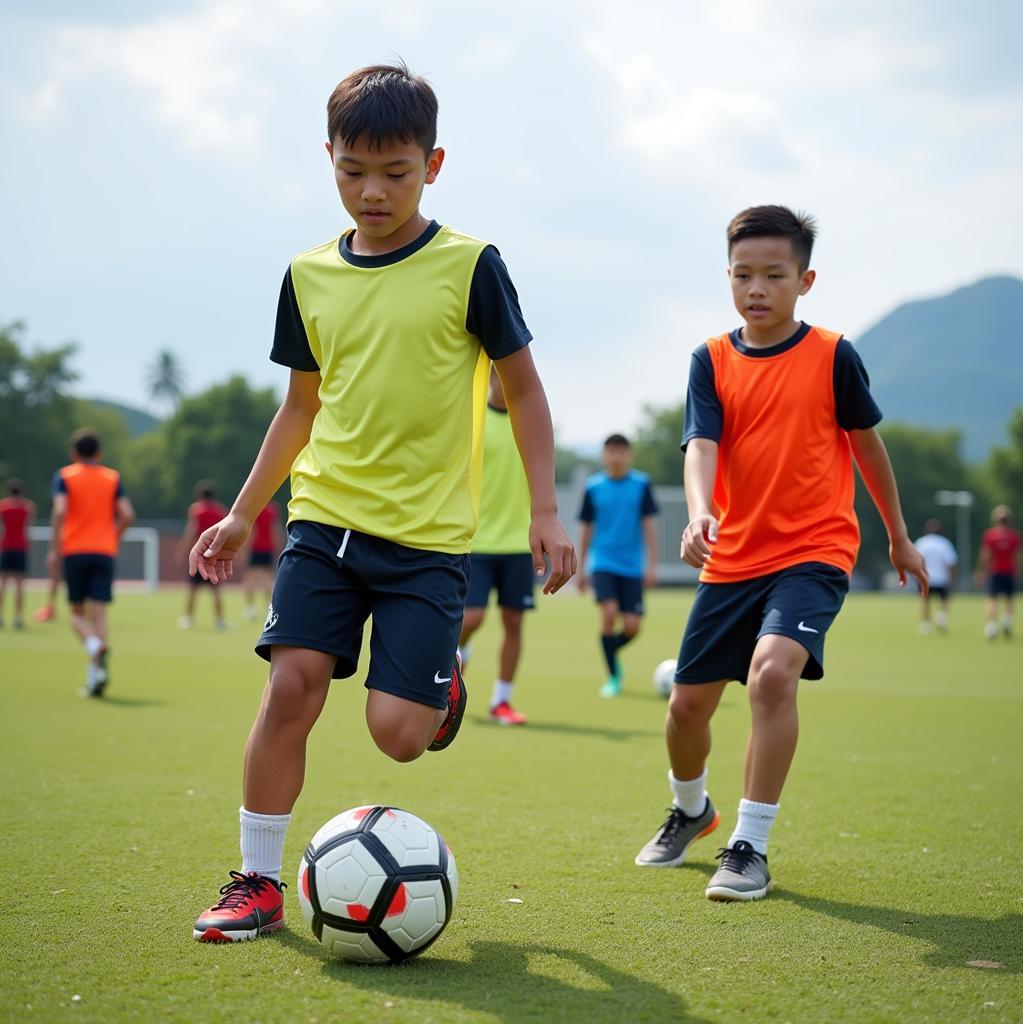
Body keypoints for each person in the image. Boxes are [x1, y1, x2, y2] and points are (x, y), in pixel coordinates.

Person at [188, 63, 575, 943]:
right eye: (353, 170)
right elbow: (300, 408)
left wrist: (545, 510)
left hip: (428, 543)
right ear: (328, 158)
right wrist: (247, 511)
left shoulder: (471, 266)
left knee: (398, 735)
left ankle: (441, 689)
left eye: (395, 173)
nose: (372, 191)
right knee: (292, 687)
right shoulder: (308, 275)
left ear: (433, 164)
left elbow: (528, 391)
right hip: (325, 524)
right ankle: (255, 880)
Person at [634, 205, 927, 902]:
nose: (756, 288)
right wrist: (702, 511)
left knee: (771, 676)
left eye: (773, 275)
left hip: (814, 550)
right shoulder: (710, 359)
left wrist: (899, 534)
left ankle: (750, 846)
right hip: (733, 556)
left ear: (805, 280)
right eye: (743, 275)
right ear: (728, 277)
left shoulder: (833, 355)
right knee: (685, 711)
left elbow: (867, 447)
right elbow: (701, 444)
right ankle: (691, 809)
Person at [459, 365, 535, 726]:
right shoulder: (473, 420)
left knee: (514, 621)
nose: (503, 384)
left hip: (519, 543)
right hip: (477, 540)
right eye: (496, 376)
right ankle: (459, 653)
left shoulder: (528, 421)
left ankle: (501, 700)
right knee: (471, 618)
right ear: (488, 378)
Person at [48, 429, 135, 696]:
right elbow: (127, 515)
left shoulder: (65, 476)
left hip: (75, 550)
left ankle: (94, 647)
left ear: (74, 453)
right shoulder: (112, 477)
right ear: (99, 453)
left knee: (76, 614)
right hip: (104, 551)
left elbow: (61, 510)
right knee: (98, 614)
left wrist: (54, 548)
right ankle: (97, 675)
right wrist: (112, 538)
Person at [577, 434, 659, 698]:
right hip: (603, 562)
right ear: (604, 455)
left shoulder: (641, 484)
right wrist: (581, 569)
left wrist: (651, 565)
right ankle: (613, 676)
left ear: (628, 455)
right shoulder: (593, 487)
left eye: (621, 452)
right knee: (609, 613)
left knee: (633, 626)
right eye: (611, 451)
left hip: (632, 566)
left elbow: (648, 528)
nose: (616, 457)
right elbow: (587, 530)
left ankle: (610, 649)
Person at [177, 482, 229, 630]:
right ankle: (219, 621)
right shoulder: (221, 511)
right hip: (214, 554)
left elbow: (191, 531)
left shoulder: (196, 510)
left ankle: (188, 619)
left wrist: (182, 551)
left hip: (199, 554)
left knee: (193, 589)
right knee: (216, 590)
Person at [977, 505, 1020, 640]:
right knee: (1009, 599)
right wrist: (1018, 571)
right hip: (1009, 571)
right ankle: (1007, 621)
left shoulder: (991, 535)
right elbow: (1016, 557)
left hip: (995, 571)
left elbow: (986, 555)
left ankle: (991, 626)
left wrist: (981, 571)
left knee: (992, 599)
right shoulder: (1014, 536)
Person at [0, 478, 35, 630]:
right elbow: (28, 527)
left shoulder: (3, 507)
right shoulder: (28, 507)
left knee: (3, 583)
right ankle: (18, 617)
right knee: (20, 585)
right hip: (21, 547)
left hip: (6, 547)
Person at [913, 519, 957, 633]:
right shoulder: (944, 543)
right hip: (942, 578)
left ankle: (926, 624)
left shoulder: (921, 542)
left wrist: (916, 575)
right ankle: (941, 617)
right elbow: (950, 563)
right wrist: (952, 578)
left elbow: (916, 561)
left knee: (925, 601)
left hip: (925, 578)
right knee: (945, 600)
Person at [243, 502, 282, 621]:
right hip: (268, 548)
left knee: (250, 578)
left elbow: (252, 530)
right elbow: (276, 530)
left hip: (255, 548)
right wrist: (278, 546)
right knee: (268, 579)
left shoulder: (256, 508)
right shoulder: (272, 510)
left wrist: (246, 549)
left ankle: (250, 608)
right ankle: (269, 608)